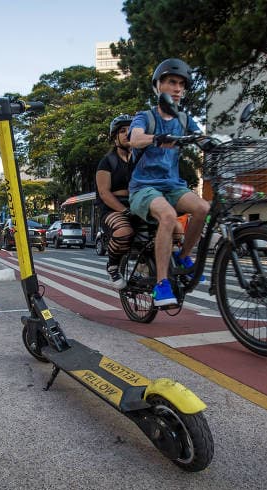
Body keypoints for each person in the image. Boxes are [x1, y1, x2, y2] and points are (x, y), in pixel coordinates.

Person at [128, 58, 210, 306]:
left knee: (203, 208)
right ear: (158, 86)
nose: (177, 88)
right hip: (144, 187)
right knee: (167, 215)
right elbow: (135, 139)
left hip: (172, 184)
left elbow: (200, 138)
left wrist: (216, 142)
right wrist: (155, 138)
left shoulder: (184, 119)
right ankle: (162, 284)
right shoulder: (146, 117)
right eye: (171, 82)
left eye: (181, 85)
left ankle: (185, 256)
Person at [95, 114, 135, 289]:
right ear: (115, 137)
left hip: (138, 204)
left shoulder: (140, 160)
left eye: (131, 130)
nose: (127, 134)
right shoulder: (108, 161)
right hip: (112, 209)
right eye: (122, 131)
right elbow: (104, 193)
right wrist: (124, 210)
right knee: (124, 231)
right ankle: (112, 266)